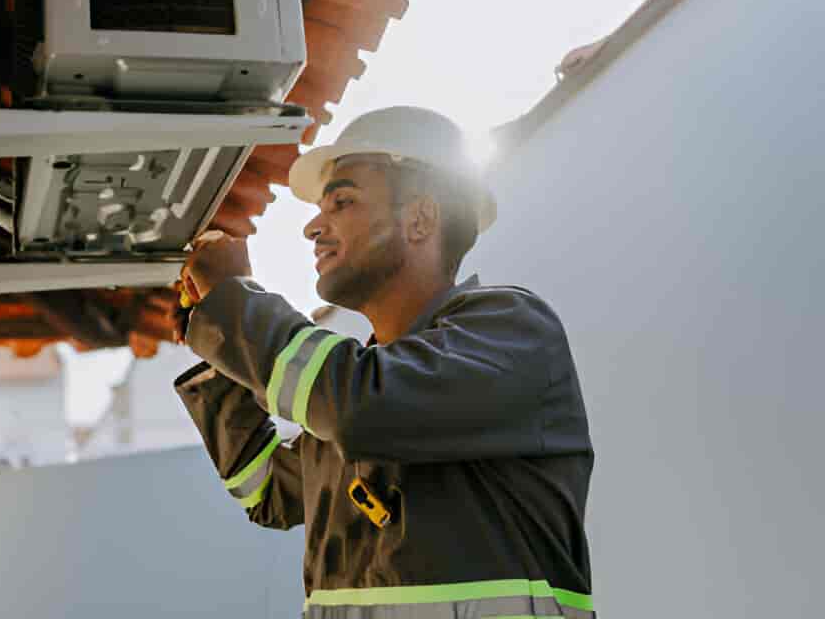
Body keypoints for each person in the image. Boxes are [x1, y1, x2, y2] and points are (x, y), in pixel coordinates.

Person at [174, 106, 595, 618]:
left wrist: (234, 304)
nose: (313, 227)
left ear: (420, 218)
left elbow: (360, 406)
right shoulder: (364, 386)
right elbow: (267, 491)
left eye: (342, 202)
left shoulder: (512, 330)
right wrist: (222, 353)